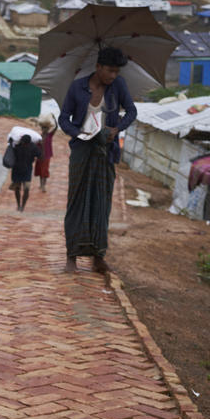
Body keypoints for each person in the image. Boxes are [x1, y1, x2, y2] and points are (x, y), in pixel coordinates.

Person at [58, 46, 137, 274]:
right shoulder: (77, 87)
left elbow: (131, 112)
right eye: (110, 71)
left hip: (106, 151)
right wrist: (77, 133)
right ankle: (71, 257)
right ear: (98, 67)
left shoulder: (118, 86)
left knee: (102, 205)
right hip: (82, 152)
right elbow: (64, 118)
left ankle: (98, 257)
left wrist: (117, 129)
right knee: (76, 203)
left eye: (116, 72)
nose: (113, 76)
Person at [9, 133, 42, 213]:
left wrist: (42, 146)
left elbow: (40, 155)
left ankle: (23, 206)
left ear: (28, 143)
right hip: (16, 169)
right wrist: (10, 143)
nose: (23, 144)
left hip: (27, 170)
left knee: (26, 189)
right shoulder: (17, 146)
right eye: (22, 142)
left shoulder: (33, 147)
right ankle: (18, 205)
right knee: (17, 188)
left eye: (24, 143)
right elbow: (10, 152)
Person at [35, 115, 56, 193]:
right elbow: (36, 147)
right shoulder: (39, 137)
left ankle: (44, 186)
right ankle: (41, 185)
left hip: (47, 156)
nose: (45, 130)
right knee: (40, 171)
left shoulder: (49, 135)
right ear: (42, 129)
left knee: (45, 171)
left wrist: (54, 119)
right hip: (40, 157)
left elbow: (55, 128)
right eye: (44, 128)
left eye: (46, 128)